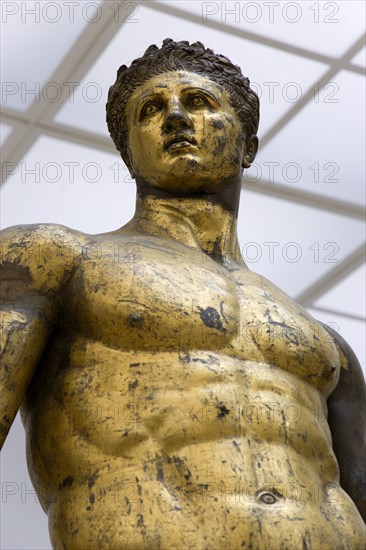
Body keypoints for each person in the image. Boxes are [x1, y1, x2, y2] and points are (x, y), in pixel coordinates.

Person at [1, 38, 365, 549]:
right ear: (130, 156)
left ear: (248, 146)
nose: (174, 117)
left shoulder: (327, 344)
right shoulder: (51, 258)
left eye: (198, 102)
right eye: (150, 110)